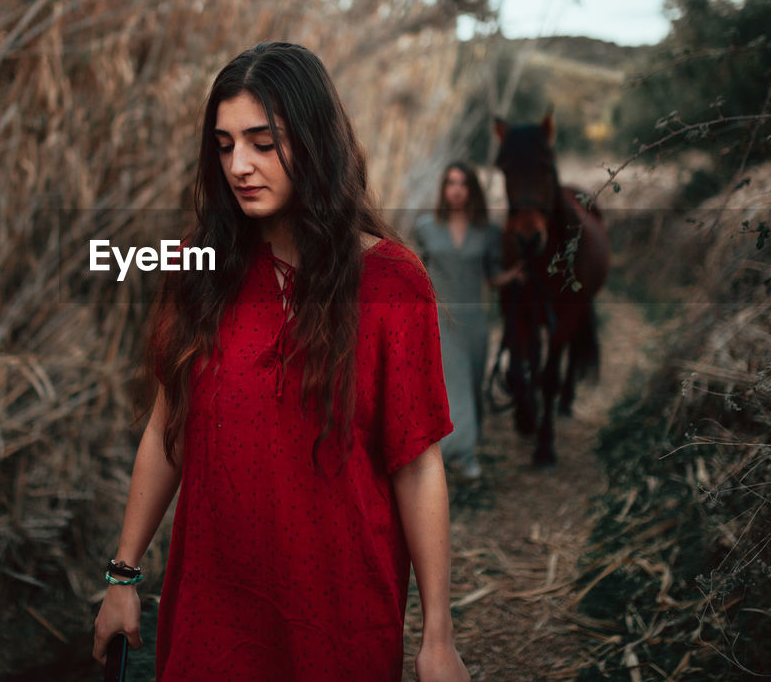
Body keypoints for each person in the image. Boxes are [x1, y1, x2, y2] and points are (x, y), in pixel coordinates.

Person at [91, 42, 471, 681]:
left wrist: (438, 635)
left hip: (339, 614)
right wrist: (122, 576)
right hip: (213, 609)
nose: (239, 165)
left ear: (316, 141)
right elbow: (165, 430)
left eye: (263, 143)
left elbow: (417, 463)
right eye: (224, 144)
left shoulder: (390, 282)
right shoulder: (198, 269)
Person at [412, 163, 521, 480]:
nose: (456, 189)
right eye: (450, 183)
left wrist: (515, 275)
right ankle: (459, 453)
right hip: (439, 318)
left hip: (474, 319)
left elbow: (492, 274)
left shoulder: (488, 232)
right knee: (450, 384)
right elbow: (412, 270)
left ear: (472, 189)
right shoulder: (425, 227)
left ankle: (466, 443)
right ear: (444, 189)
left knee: (472, 383)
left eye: (463, 183)